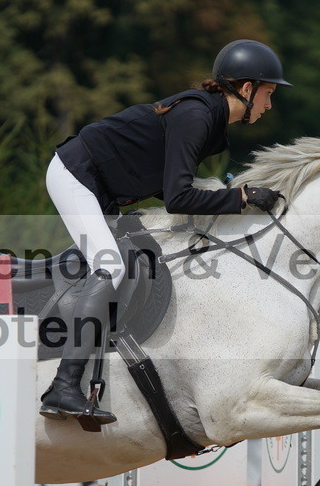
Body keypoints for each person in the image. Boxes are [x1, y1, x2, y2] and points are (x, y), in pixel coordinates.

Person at [41, 39, 290, 424]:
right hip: (77, 174)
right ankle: (63, 386)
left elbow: (164, 181)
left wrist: (226, 197)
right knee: (112, 266)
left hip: (103, 188)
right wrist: (239, 198)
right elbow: (176, 198)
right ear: (246, 89)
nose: (269, 105)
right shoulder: (197, 117)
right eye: (268, 94)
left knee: (123, 263)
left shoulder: (208, 120)